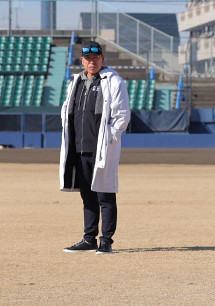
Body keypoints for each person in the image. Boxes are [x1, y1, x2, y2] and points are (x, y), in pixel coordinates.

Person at [60, 41, 130, 254]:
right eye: (88, 59)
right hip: (79, 147)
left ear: (102, 59)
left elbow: (122, 115)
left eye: (96, 58)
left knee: (105, 194)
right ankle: (89, 238)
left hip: (102, 148)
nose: (92, 62)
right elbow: (67, 111)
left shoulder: (113, 81)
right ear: (82, 60)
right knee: (87, 196)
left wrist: (110, 137)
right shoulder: (75, 82)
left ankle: (106, 240)